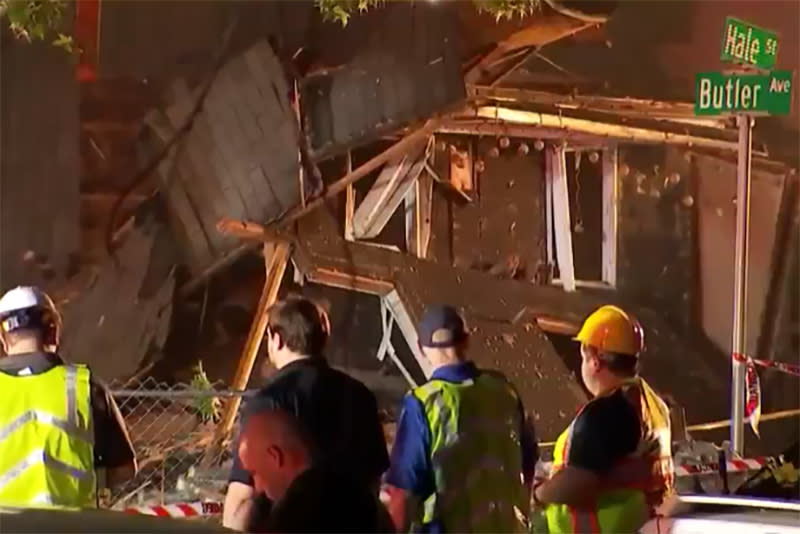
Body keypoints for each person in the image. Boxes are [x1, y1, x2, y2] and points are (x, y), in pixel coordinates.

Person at [223, 296, 389, 531]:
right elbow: (374, 480)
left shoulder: (266, 403)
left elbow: (243, 499)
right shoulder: (360, 396)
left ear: (277, 340)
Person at [384, 305, 538, 533]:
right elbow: (528, 464)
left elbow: (403, 493)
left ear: (421, 348)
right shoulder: (505, 392)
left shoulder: (423, 403)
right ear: (467, 341)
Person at [532, 305, 674, 533]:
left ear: (596, 361)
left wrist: (539, 494)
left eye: (583, 355)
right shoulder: (650, 403)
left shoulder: (607, 412)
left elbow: (579, 483)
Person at [0, 286, 137, 507]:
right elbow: (124, 470)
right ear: (53, 331)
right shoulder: (85, 386)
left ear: (3, 338)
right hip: (71, 527)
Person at [238, 410, 395, 533]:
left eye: (254, 473)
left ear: (275, 457)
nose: (257, 487)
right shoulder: (362, 500)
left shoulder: (299, 515)